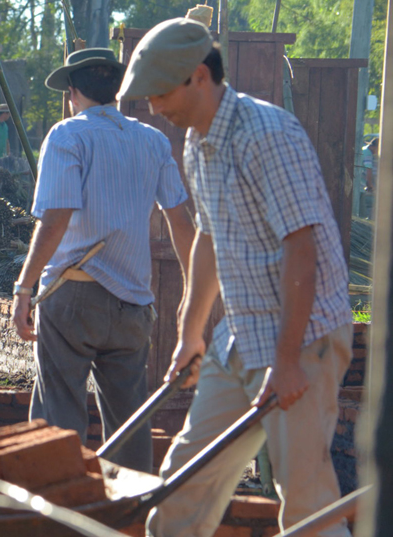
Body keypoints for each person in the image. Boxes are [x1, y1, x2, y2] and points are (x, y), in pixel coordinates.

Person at [116, 18, 353, 536]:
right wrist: (191, 333)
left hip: (304, 339)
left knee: (307, 503)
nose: (154, 106)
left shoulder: (268, 135)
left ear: (200, 77)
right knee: (181, 487)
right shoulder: (197, 144)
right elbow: (207, 238)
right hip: (239, 338)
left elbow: (303, 248)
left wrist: (288, 360)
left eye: (159, 92)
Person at [10, 48, 195, 473]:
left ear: (72, 92)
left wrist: (24, 288)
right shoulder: (153, 140)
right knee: (130, 423)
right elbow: (181, 222)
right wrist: (192, 294)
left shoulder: (67, 135)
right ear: (119, 90)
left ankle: (60, 510)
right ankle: (130, 516)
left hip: (73, 295)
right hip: (134, 302)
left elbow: (55, 220)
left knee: (58, 415)